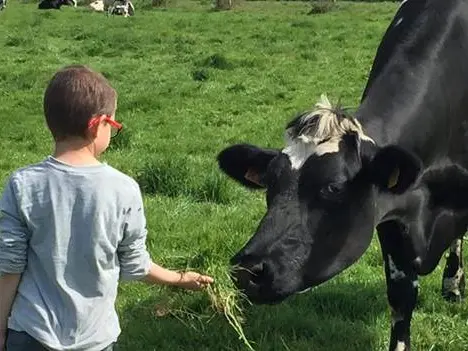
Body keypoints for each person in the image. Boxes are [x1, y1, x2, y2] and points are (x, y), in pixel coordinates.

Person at [0, 65, 214, 351]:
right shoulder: (124, 190)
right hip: (94, 340)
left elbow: (9, 266)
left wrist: (1, 326)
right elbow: (135, 266)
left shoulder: (22, 184)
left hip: (30, 333)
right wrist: (179, 278)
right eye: (112, 125)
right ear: (96, 124)